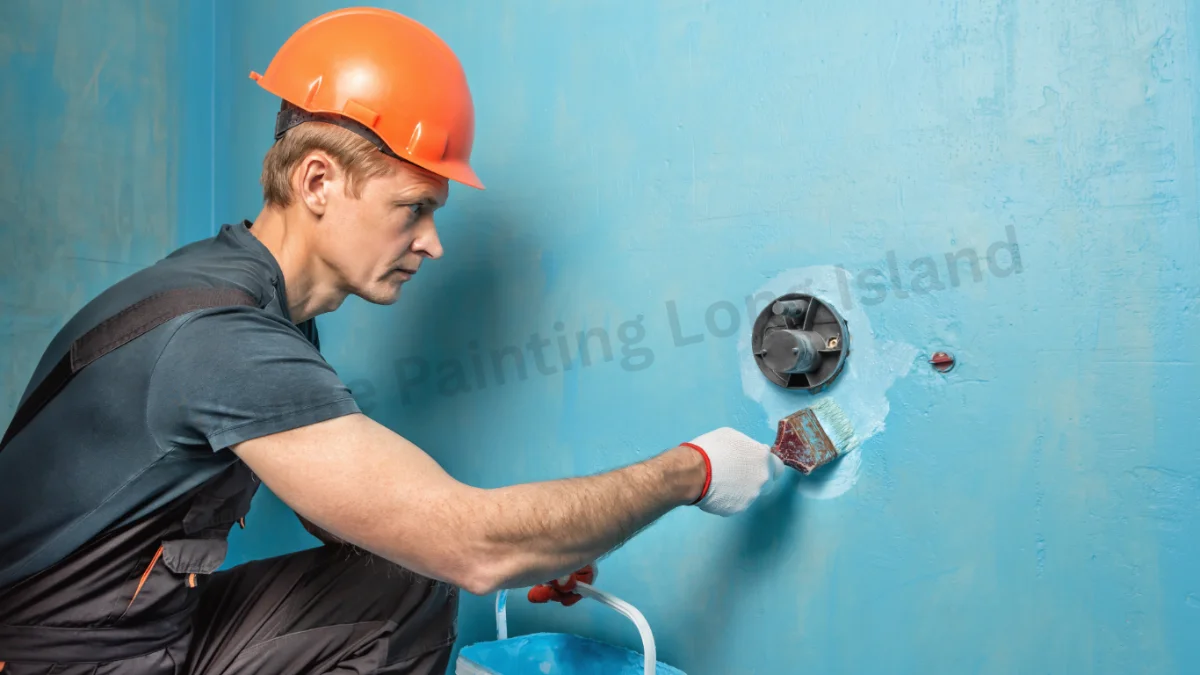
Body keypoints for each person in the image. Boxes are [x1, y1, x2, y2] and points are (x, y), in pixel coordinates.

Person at [0, 7, 784, 674]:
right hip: (61, 660)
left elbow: (364, 514)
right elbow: (471, 545)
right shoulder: (224, 340)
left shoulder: (253, 301)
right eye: (413, 207)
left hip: (148, 631)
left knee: (406, 581)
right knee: (441, 564)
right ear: (316, 182)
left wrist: (545, 543)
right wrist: (692, 470)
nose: (432, 242)